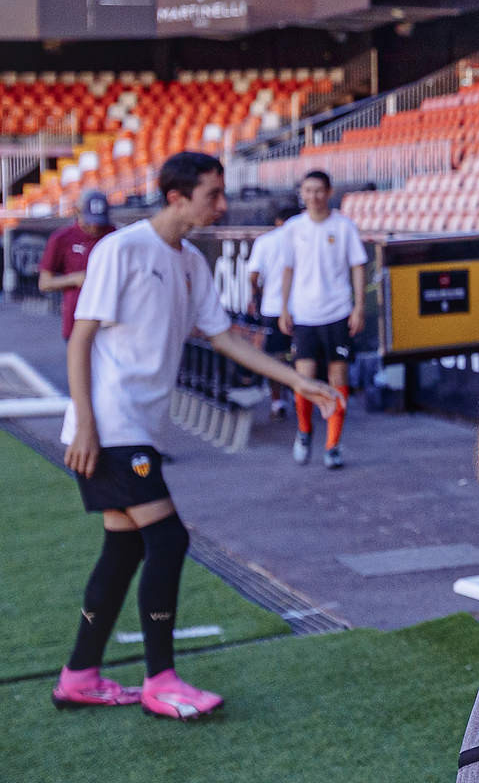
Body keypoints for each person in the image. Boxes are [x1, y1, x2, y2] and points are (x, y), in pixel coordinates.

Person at [53, 152, 337, 718]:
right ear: (176, 197)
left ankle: (79, 676)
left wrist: (298, 382)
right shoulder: (122, 249)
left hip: (139, 430)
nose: (222, 205)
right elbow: (81, 338)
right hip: (110, 427)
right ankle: (160, 681)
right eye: (212, 194)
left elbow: (224, 339)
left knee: (124, 548)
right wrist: (84, 424)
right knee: (168, 540)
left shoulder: (189, 263)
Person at [276, 171, 366, 469]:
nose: (313, 196)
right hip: (304, 314)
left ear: (329, 192)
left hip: (337, 312)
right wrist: (284, 308)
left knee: (338, 378)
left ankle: (333, 445)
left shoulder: (343, 226)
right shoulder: (293, 228)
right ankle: (304, 431)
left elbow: (357, 266)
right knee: (304, 378)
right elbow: (287, 269)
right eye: (307, 190)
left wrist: (359, 307)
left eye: (318, 190)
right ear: (302, 193)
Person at [38, 189, 116, 340]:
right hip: (76, 319)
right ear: (78, 212)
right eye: (90, 221)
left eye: (99, 222)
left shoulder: (115, 235)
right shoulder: (62, 238)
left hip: (110, 319)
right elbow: (44, 283)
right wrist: (75, 279)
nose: (95, 227)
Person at [245, 205, 299, 418]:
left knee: (275, 356)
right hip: (304, 308)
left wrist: (256, 294)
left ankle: (278, 402)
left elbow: (253, 276)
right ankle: (300, 397)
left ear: (277, 221)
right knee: (301, 356)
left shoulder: (265, 241)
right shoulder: (303, 239)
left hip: (273, 307)